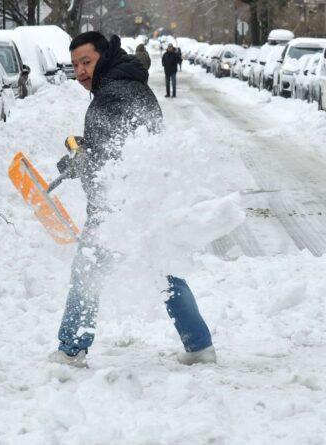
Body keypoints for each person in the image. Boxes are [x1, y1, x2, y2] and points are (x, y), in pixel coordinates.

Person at [52, 32, 217, 368]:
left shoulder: (111, 95)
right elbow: (126, 141)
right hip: (146, 200)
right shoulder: (128, 84)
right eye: (75, 65)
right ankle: (199, 346)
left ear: (104, 56)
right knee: (164, 271)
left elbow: (112, 158)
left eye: (86, 61)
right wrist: (84, 150)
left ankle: (71, 349)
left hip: (117, 206)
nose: (81, 70)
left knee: (86, 272)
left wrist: (81, 161)